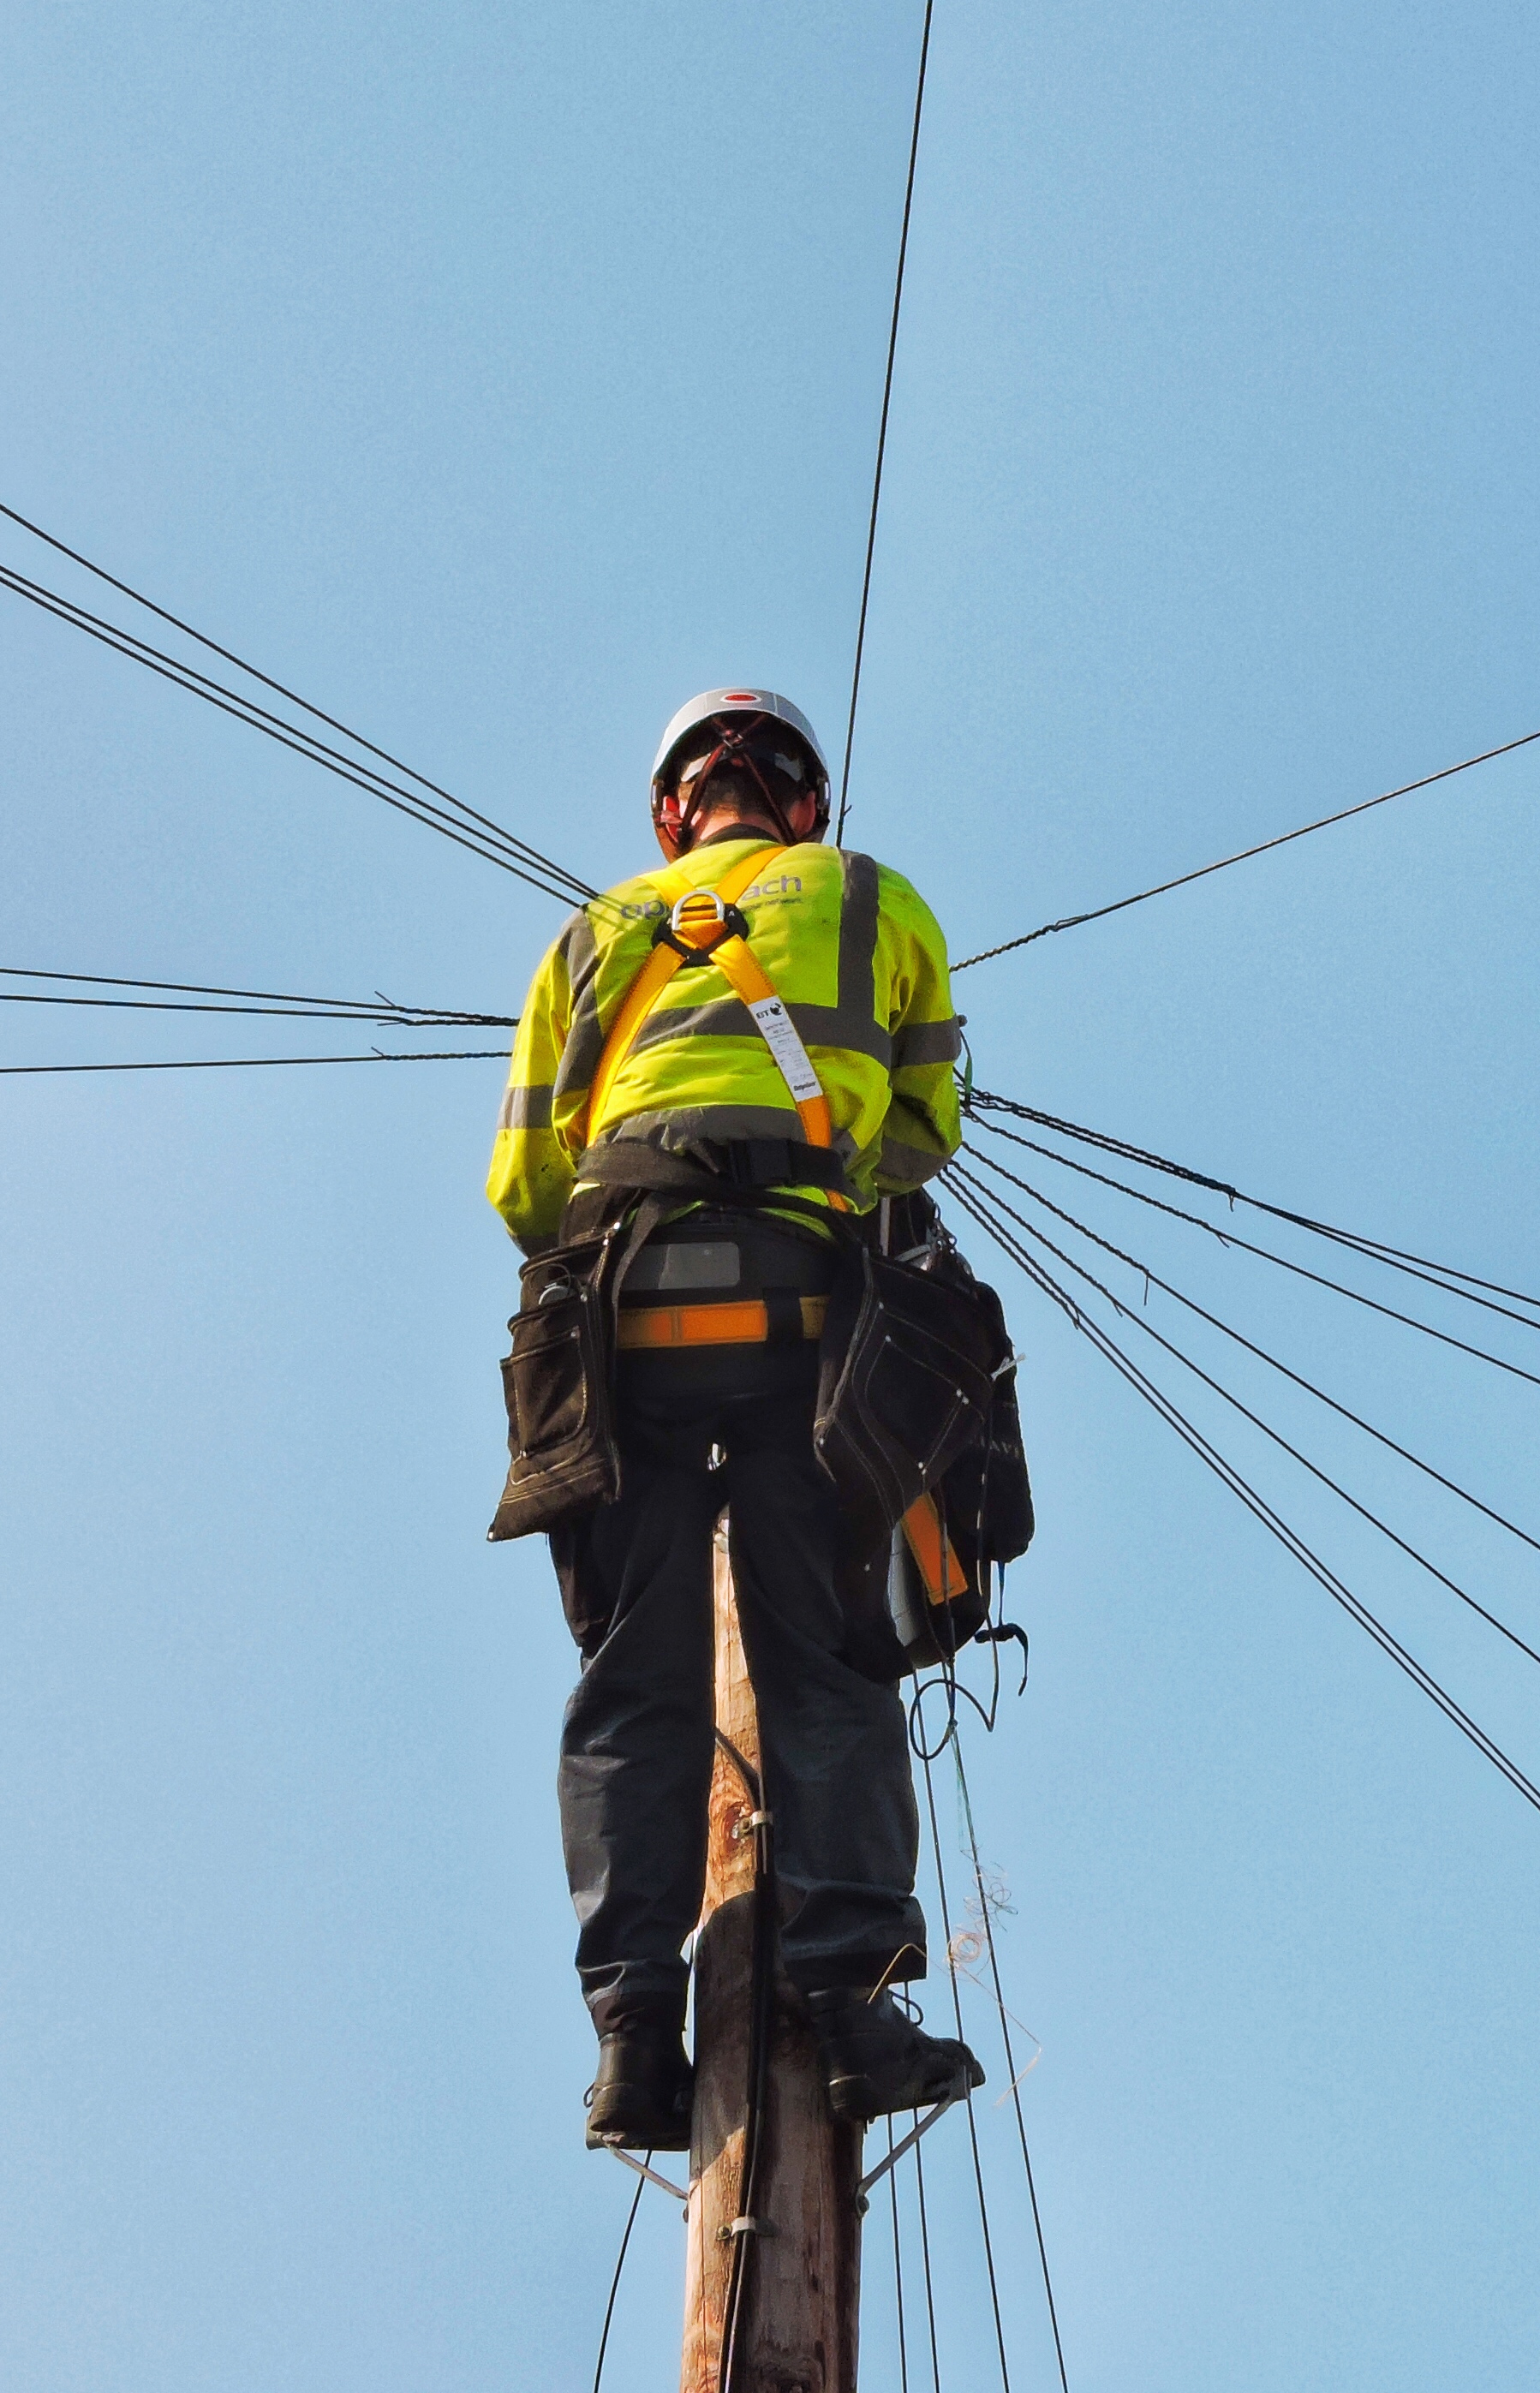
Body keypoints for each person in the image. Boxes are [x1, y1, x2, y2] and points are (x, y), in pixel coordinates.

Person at [486, 687, 987, 2150]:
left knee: (636, 1684)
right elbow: (921, 1131)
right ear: (806, 807)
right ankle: (850, 2014)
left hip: (617, 1320)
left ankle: (634, 2039)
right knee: (822, 1660)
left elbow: (525, 1184)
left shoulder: (592, 934)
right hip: (807, 1317)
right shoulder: (873, 902)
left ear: (670, 814)